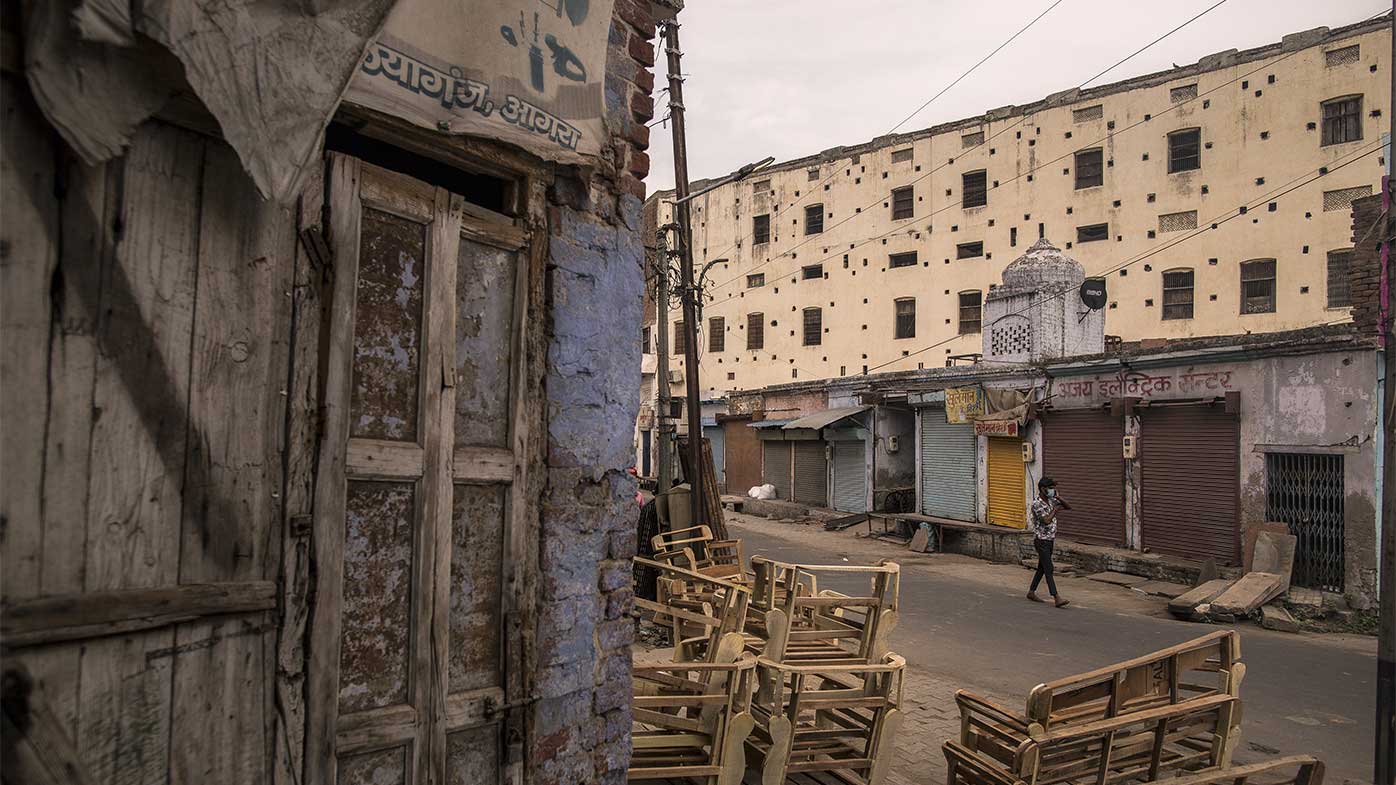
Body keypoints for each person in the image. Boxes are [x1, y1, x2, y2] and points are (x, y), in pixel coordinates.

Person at [1028, 476, 1071, 608]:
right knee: (1049, 568)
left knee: (1042, 568)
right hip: (1041, 540)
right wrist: (1055, 510)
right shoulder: (1037, 504)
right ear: (1043, 489)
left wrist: (1059, 498)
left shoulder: (1052, 500)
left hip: (1050, 539)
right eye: (1051, 488)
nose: (1053, 490)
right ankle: (1056, 597)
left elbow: (1068, 507)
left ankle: (1031, 592)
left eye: (1053, 488)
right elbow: (1046, 520)